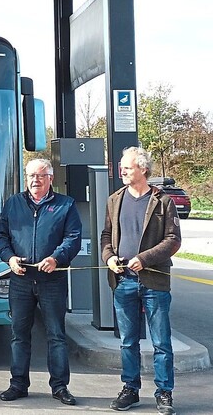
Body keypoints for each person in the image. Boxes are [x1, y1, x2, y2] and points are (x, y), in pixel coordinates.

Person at [0, 158, 82, 406]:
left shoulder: (66, 205)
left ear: (50, 179)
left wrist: (56, 258)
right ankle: (18, 384)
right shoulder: (13, 204)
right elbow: (1, 236)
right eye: (31, 176)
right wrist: (9, 258)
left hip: (51, 280)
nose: (35, 180)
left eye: (41, 176)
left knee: (56, 335)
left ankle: (59, 386)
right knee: (19, 335)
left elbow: (73, 238)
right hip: (20, 280)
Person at [101, 147, 181, 415]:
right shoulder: (114, 200)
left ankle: (164, 393)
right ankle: (130, 389)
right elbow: (105, 236)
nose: (122, 170)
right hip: (122, 281)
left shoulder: (162, 201)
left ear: (143, 169)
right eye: (122, 166)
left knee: (161, 342)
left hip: (154, 283)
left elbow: (173, 240)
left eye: (127, 167)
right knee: (127, 341)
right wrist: (109, 258)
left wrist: (144, 258)